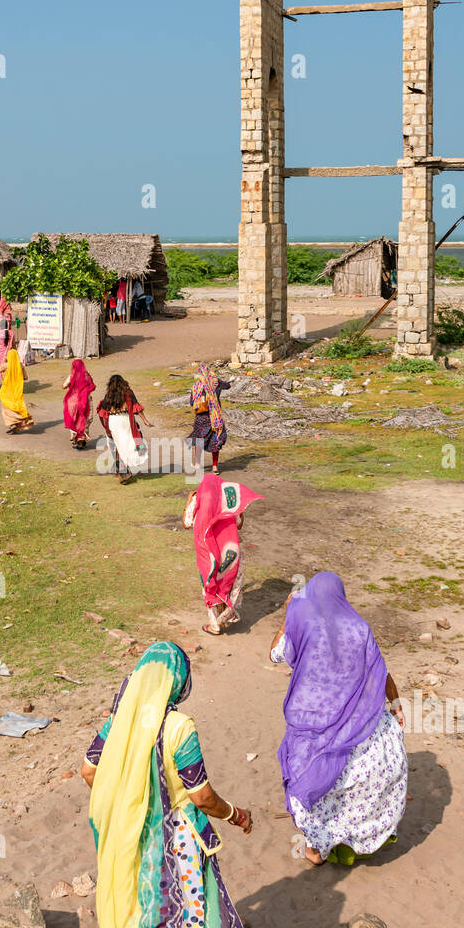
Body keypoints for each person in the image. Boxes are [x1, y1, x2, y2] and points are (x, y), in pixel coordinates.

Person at [80, 641, 251, 928]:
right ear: (178, 682)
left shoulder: (117, 723)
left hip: (127, 845)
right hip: (177, 850)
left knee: (137, 927)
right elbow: (202, 795)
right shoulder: (178, 727)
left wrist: (126, 808)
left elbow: (88, 770)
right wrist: (236, 815)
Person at [270, 572, 407, 868]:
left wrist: (286, 616)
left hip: (312, 721)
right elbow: (380, 671)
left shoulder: (302, 625)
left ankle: (315, 849)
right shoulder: (358, 627)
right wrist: (396, 706)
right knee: (357, 779)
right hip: (355, 722)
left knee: (314, 780)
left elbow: (274, 654)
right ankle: (353, 841)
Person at [183, 475, 261, 634]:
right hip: (230, 554)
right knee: (231, 584)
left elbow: (186, 523)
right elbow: (239, 524)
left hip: (209, 555)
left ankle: (215, 624)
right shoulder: (227, 498)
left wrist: (189, 499)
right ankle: (225, 616)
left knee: (210, 585)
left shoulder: (198, 499)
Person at [96, 374, 151, 484]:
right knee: (129, 443)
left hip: (114, 422)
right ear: (123, 382)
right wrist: (145, 420)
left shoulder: (109, 395)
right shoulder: (128, 393)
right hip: (126, 422)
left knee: (118, 445)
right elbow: (137, 408)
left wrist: (107, 426)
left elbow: (103, 410)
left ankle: (121, 472)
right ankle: (123, 472)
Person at [188, 362, 229, 473]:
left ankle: (197, 464)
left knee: (199, 440)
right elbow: (228, 386)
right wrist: (217, 379)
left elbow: (192, 403)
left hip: (201, 418)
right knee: (215, 440)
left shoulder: (196, 387)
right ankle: (215, 466)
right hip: (214, 418)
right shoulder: (216, 384)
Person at [62, 358, 96, 449]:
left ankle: (75, 439)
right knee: (85, 418)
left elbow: (63, 386)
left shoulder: (71, 376)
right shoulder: (87, 376)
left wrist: (71, 386)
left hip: (73, 401)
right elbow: (93, 386)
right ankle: (82, 438)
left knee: (74, 419)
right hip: (85, 400)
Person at [0, 347, 33, 432]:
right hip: (17, 390)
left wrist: (3, 361)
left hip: (6, 390)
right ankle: (21, 421)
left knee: (7, 408)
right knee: (17, 406)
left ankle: (13, 423)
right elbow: (25, 377)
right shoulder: (20, 365)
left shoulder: (5, 365)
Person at [0, 298, 15, 388]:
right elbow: (12, 345)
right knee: (4, 372)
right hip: (5, 354)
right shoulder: (10, 333)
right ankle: (4, 387)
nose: (9, 318)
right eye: (7, 315)